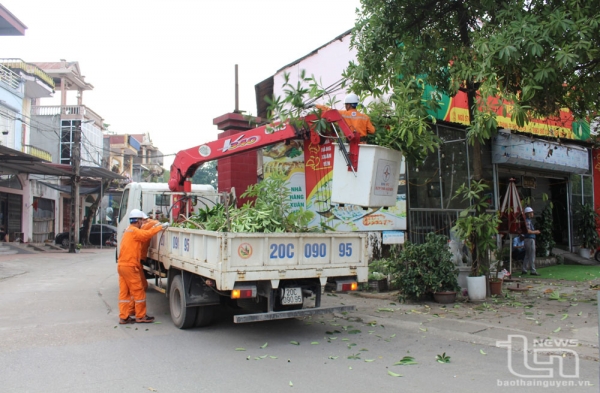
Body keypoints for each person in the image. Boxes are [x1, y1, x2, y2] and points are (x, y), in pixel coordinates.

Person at [118, 209, 168, 324]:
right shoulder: (135, 231)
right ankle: (140, 316)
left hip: (122, 266)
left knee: (124, 293)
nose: (143, 223)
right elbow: (147, 234)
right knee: (139, 291)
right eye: (142, 220)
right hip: (130, 266)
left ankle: (124, 316)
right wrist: (160, 227)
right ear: (138, 221)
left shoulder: (127, 230)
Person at [523, 207, 541, 276]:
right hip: (530, 239)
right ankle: (533, 270)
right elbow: (528, 231)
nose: (533, 214)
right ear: (529, 213)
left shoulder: (528, 220)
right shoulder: (527, 221)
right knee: (532, 255)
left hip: (527, 239)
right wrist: (535, 232)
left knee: (527, 255)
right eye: (531, 212)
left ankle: (524, 269)